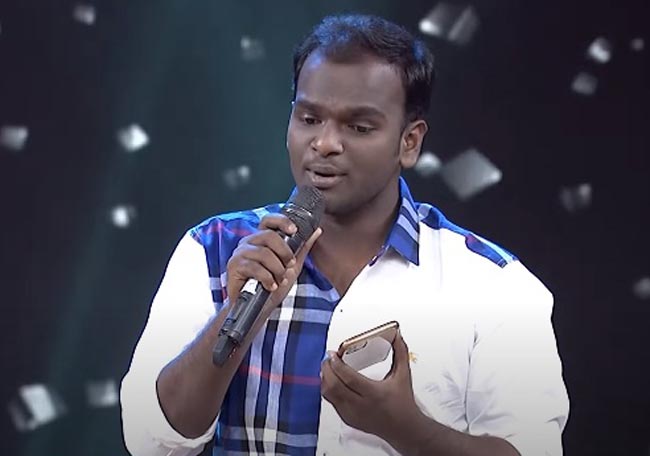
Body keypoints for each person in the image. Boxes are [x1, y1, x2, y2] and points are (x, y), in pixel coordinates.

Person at [120, 13, 569, 456]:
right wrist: (236, 316)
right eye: (309, 118)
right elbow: (150, 441)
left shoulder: (493, 286)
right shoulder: (213, 250)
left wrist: (409, 430)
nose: (325, 143)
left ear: (409, 142)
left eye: (358, 127)